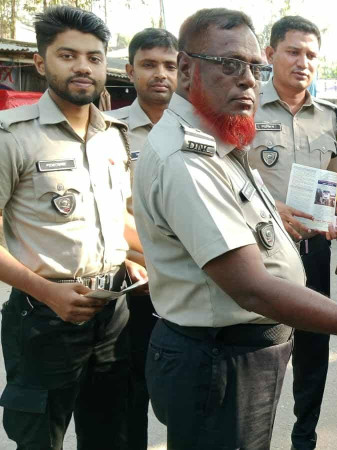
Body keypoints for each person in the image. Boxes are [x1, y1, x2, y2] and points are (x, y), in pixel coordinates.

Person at [133, 10, 337, 450]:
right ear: (186, 68)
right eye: (229, 64)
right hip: (218, 357)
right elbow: (253, 288)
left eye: (252, 68)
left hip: (240, 346)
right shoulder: (188, 159)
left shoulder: (222, 140)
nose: (246, 80)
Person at [0, 6, 147, 449]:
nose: (83, 66)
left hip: (113, 312)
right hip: (43, 317)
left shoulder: (113, 135)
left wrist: (147, 257)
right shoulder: (12, 136)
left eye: (94, 57)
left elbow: (119, 219)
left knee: (112, 435)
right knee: (40, 439)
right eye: (68, 55)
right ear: (41, 62)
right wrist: (48, 293)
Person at [247, 16, 337, 450]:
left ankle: (304, 438)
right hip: (258, 252)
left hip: (313, 250)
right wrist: (271, 210)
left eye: (311, 55)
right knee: (259, 351)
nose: (303, 62)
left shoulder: (331, 118)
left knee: (313, 349)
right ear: (270, 55)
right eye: (293, 52)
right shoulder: (243, 107)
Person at [108, 26, 178, 450]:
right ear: (130, 71)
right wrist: (133, 259)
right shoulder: (108, 130)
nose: (160, 74)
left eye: (170, 65)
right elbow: (103, 211)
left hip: (187, 285)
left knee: (184, 400)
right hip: (134, 283)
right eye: (149, 65)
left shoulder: (197, 130)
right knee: (129, 395)